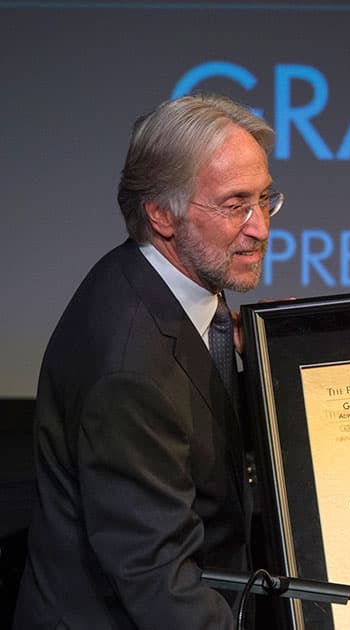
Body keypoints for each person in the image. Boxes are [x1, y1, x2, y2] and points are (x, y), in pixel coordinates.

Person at [13, 94, 282, 629]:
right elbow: (162, 586)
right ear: (162, 214)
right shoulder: (131, 369)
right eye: (235, 206)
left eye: (264, 199)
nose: (260, 227)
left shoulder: (173, 281)